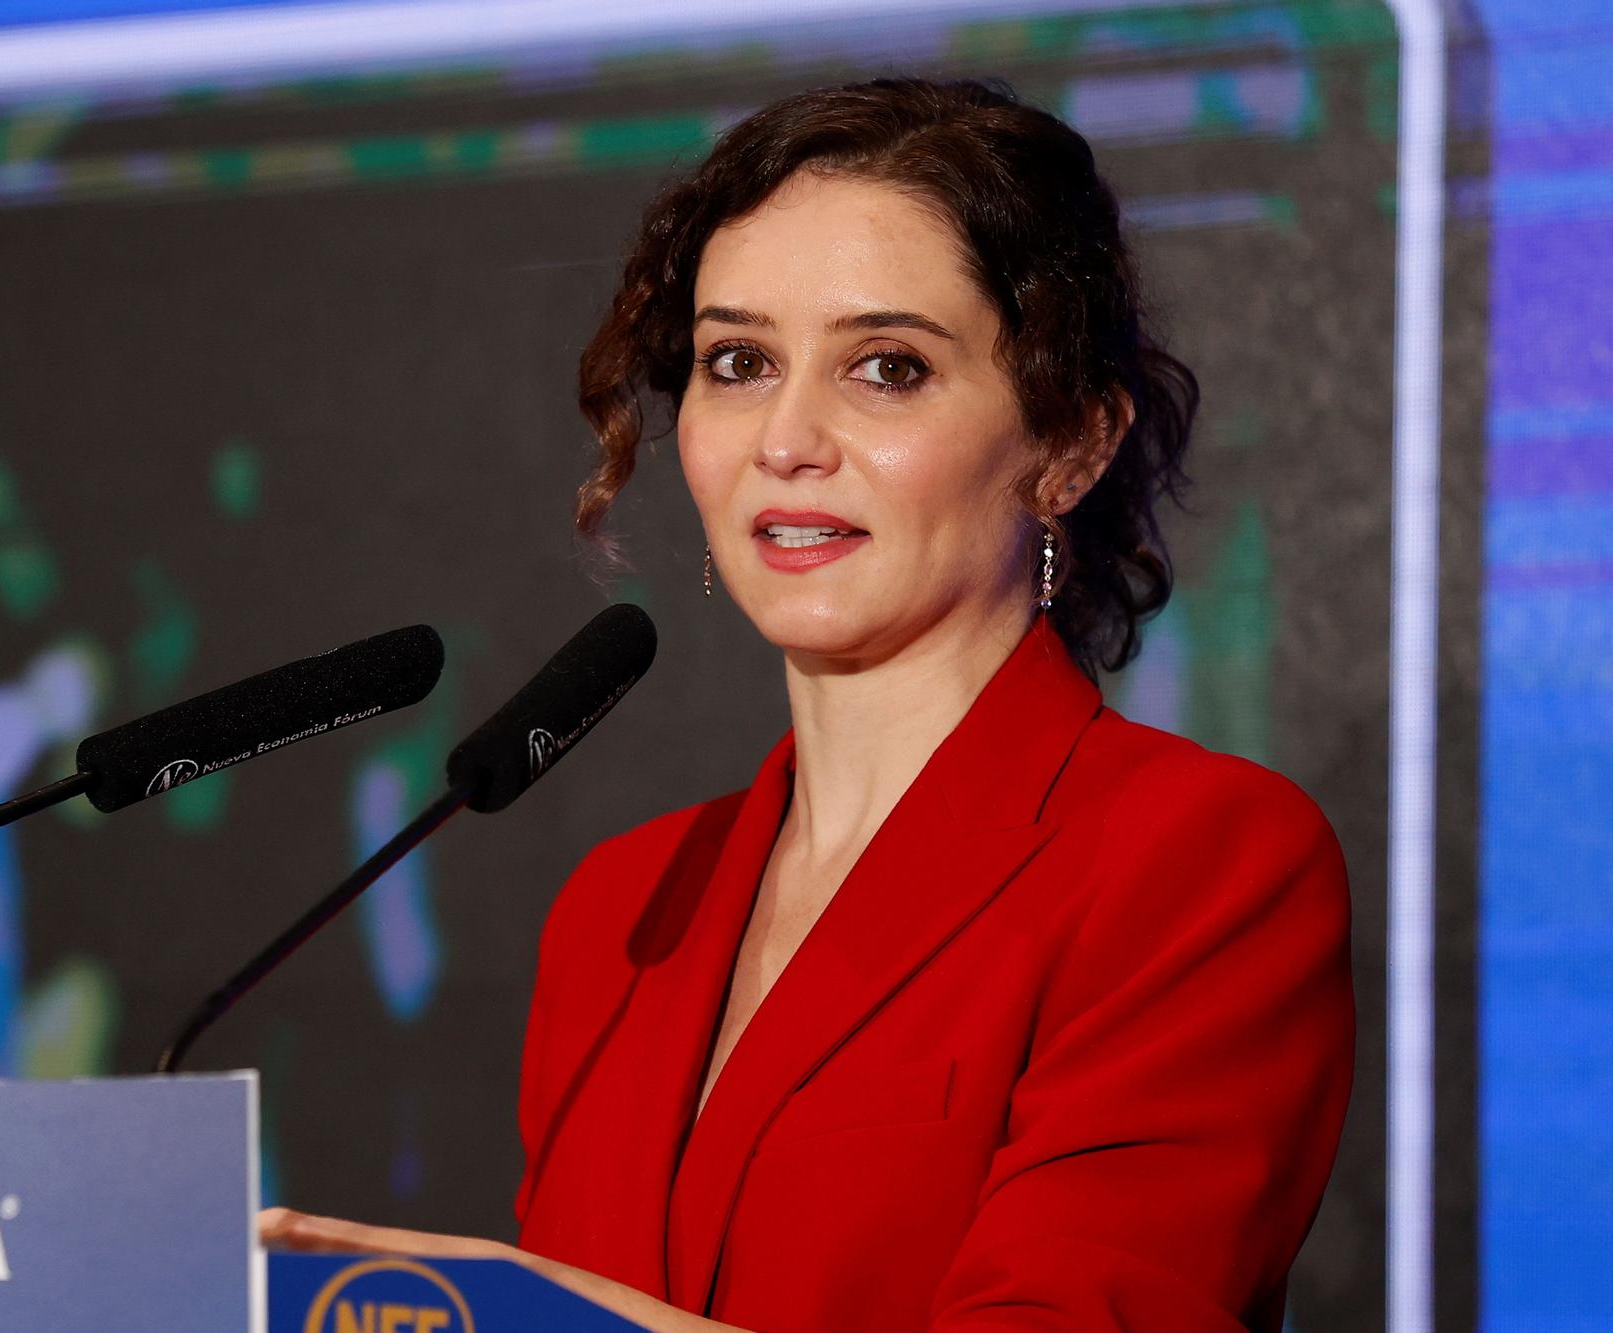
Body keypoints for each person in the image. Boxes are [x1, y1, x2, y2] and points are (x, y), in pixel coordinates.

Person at [263, 77, 1354, 1332]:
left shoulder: (1194, 860)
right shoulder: (623, 909)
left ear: (1069, 444)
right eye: (738, 362)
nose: (785, 437)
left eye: (885, 367)